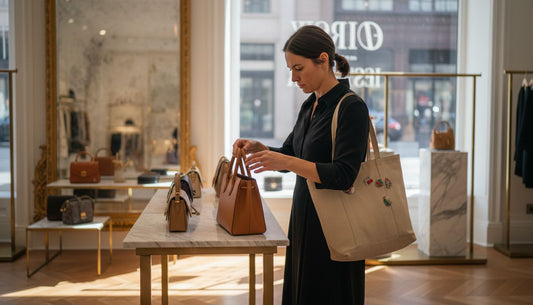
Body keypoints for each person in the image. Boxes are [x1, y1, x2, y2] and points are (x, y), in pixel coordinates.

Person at [233, 25, 370, 305]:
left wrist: (286, 160)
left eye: (299, 68)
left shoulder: (351, 107)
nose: (294, 78)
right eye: (290, 70)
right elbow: (291, 154)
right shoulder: (311, 105)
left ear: (322, 59)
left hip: (336, 226)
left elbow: (344, 175)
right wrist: (263, 150)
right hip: (304, 218)